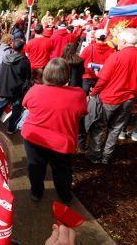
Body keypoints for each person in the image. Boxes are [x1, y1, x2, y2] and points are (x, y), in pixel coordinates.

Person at [22, 58, 87, 205]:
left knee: (36, 166)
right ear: (67, 75)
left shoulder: (35, 90)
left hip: (34, 137)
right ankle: (64, 195)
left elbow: (25, 104)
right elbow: (83, 111)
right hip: (61, 141)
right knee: (62, 170)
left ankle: (36, 192)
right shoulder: (78, 94)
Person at [88, 28, 137, 164]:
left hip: (110, 98)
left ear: (123, 41)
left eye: (118, 40)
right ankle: (106, 156)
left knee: (99, 127)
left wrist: (93, 93)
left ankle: (95, 155)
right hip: (128, 99)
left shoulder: (116, 56)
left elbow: (103, 79)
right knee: (115, 129)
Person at [0, 39, 33, 134]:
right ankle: (10, 128)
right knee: (16, 109)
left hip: (6, 87)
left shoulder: (5, 58)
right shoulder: (24, 61)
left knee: (1, 105)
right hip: (18, 89)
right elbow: (27, 78)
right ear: (22, 48)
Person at [80, 29, 115, 95]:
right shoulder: (111, 51)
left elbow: (81, 60)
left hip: (88, 76)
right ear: (105, 38)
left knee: (84, 98)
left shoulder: (88, 48)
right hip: (102, 78)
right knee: (98, 100)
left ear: (95, 37)